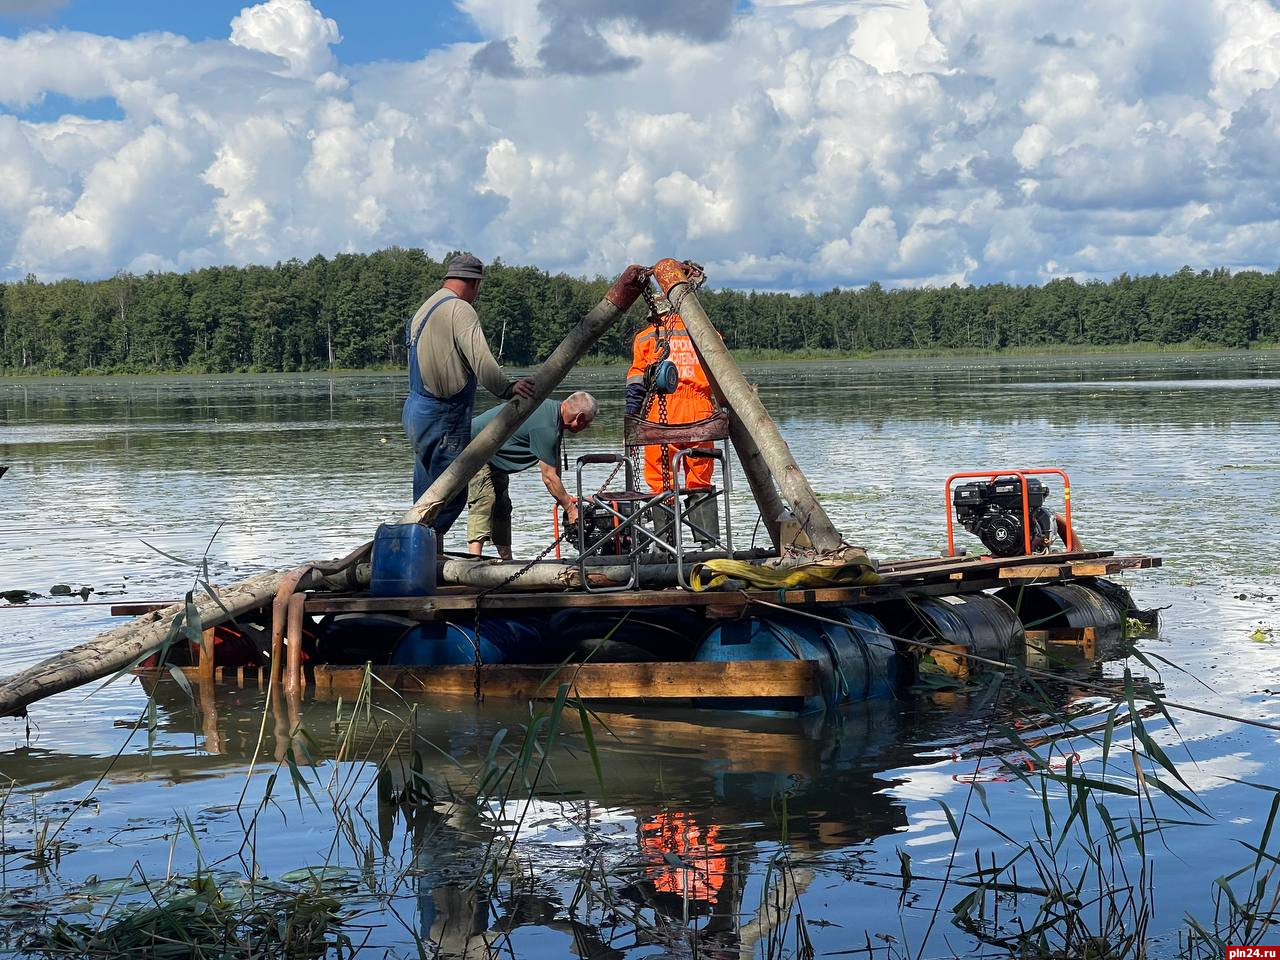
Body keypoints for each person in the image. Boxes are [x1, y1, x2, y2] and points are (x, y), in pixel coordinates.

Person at [401, 253, 535, 539]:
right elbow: (481, 359)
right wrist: (507, 388)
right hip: (443, 415)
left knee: (426, 495)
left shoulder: (424, 309)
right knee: (451, 492)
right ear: (474, 283)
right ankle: (424, 551)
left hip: (415, 412)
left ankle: (424, 555)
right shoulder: (459, 310)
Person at [466, 392, 598, 559]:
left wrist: (566, 499)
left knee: (503, 506)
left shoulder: (554, 416)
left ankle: (506, 561)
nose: (587, 426)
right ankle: (473, 562)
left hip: (495, 456)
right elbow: (549, 478)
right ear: (579, 417)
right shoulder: (546, 426)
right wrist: (570, 509)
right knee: (484, 500)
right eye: (588, 422)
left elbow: (554, 469)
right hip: (474, 447)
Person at [624, 296, 716, 493]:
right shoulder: (706, 334)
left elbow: (636, 384)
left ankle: (665, 519)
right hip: (701, 413)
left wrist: (632, 418)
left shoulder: (645, 338)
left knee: (661, 480)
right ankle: (703, 522)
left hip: (661, 413)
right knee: (700, 480)